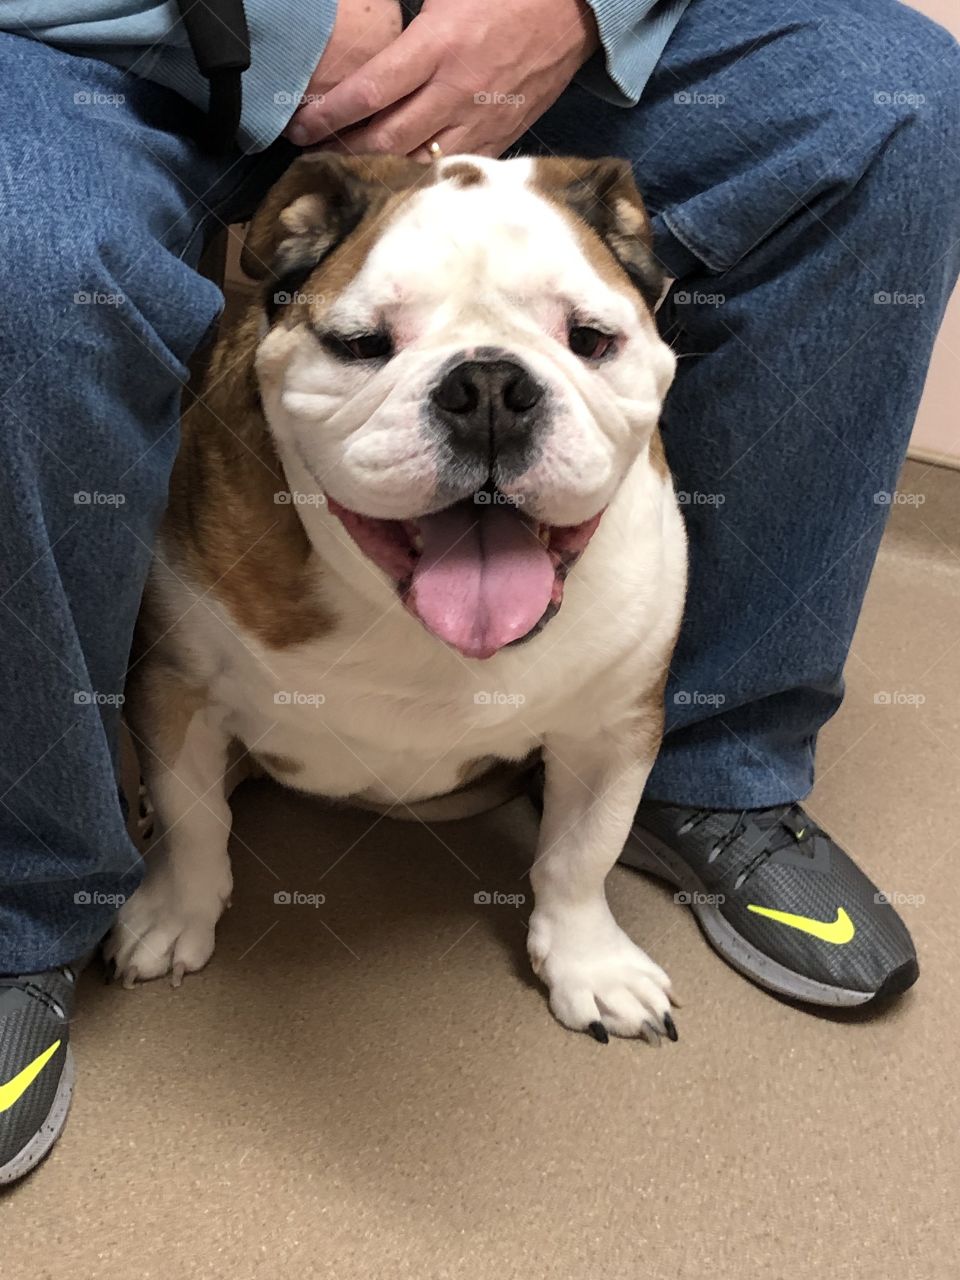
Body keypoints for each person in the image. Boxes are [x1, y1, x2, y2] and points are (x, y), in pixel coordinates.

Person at [0, 0, 957, 1186]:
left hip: (523, 26)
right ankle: (27, 891)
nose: (490, 407)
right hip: (116, 32)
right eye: (364, 342)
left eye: (592, 338)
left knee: (895, 101)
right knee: (18, 259)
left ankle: (716, 772)